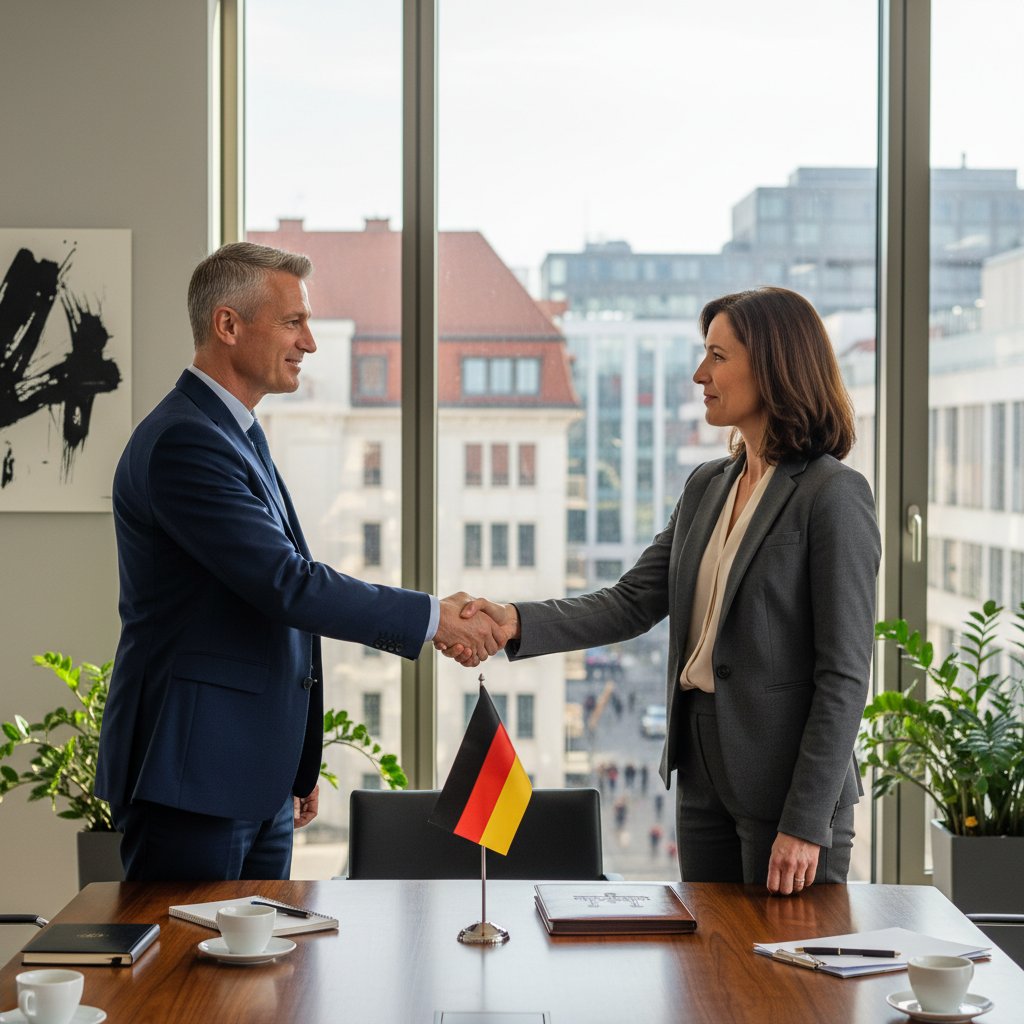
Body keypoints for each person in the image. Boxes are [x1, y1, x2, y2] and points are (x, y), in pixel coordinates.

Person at [440, 287, 880, 895]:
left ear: (774, 365)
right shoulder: (708, 485)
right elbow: (632, 600)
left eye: (718, 357)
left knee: (783, 973)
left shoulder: (833, 495)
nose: (701, 374)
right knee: (710, 966)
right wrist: (513, 620)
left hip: (786, 785)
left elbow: (846, 673)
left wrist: (806, 821)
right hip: (700, 769)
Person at [96, 242, 504, 882]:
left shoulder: (236, 433)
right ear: (228, 325)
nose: (309, 343)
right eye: (294, 322)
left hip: (251, 778)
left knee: (262, 980)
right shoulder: (185, 441)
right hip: (192, 777)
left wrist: (293, 761)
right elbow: (286, 585)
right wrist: (434, 617)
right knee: (186, 977)